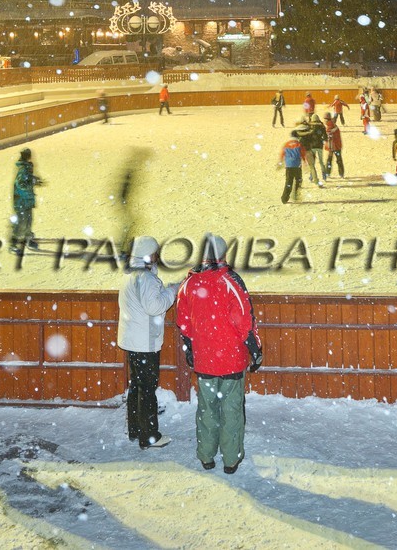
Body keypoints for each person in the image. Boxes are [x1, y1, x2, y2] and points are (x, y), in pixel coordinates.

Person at [176, 233, 261, 474]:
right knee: (232, 410)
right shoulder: (231, 282)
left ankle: (206, 455)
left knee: (207, 409)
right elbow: (245, 321)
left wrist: (190, 348)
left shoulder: (189, 284)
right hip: (231, 360)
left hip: (204, 360)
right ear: (223, 254)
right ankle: (231, 459)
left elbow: (183, 323)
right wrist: (256, 350)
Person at [119, 235, 179, 449]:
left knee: (136, 386)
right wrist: (172, 291)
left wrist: (163, 290)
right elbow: (154, 307)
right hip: (145, 344)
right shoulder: (147, 279)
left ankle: (136, 429)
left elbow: (146, 301)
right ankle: (150, 436)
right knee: (147, 390)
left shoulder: (131, 276)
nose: (156, 256)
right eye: (154, 252)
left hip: (132, 341)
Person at [10, 148, 44, 254]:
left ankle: (28, 238)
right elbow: (21, 184)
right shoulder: (23, 168)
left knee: (28, 220)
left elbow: (28, 178)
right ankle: (13, 243)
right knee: (21, 222)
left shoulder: (27, 166)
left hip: (27, 199)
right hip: (21, 200)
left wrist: (35, 179)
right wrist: (33, 182)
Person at [278, 133, 304, 204]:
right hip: (297, 166)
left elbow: (282, 153)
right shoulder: (299, 144)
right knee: (298, 180)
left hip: (289, 166)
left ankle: (284, 198)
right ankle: (295, 195)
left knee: (289, 181)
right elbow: (303, 153)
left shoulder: (286, 144)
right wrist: (305, 162)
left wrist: (280, 162)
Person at [323, 112, 345, 179]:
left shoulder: (328, 126)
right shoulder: (334, 125)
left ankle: (327, 173)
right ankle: (341, 173)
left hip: (332, 147)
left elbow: (329, 137)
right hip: (337, 146)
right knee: (339, 159)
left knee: (329, 160)